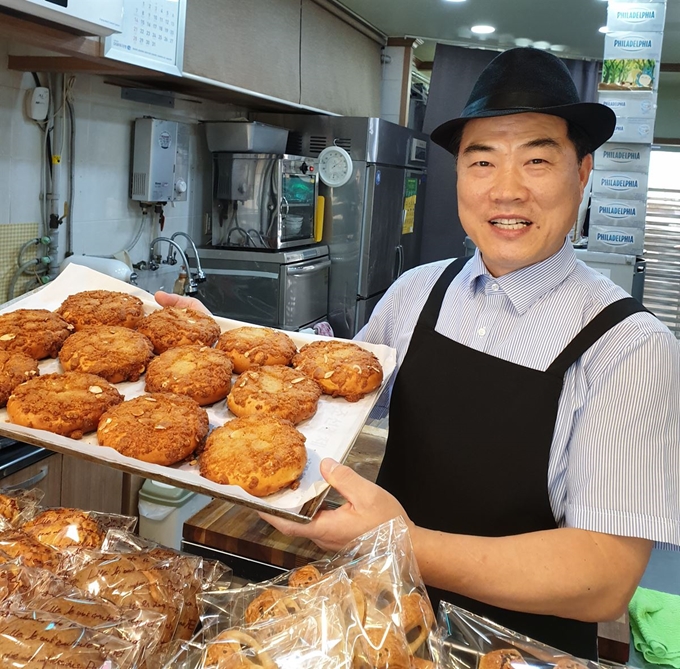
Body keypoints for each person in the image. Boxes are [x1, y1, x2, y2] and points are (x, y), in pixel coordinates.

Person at [156, 48, 680, 659]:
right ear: (459, 174)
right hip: (372, 629)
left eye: (537, 159)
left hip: (514, 653)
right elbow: (320, 398)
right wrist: (213, 344)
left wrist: (401, 540)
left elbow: (604, 579)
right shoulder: (415, 293)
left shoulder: (631, 347)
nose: (506, 190)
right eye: (481, 161)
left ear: (583, 172)